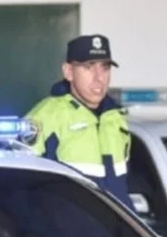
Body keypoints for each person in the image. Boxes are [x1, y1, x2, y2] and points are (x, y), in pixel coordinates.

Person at [24, 34, 131, 209]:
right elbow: (21, 188)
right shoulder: (45, 117)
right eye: (89, 67)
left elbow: (122, 186)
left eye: (105, 68)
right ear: (68, 72)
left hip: (113, 232)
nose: (99, 77)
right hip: (66, 234)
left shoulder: (116, 119)